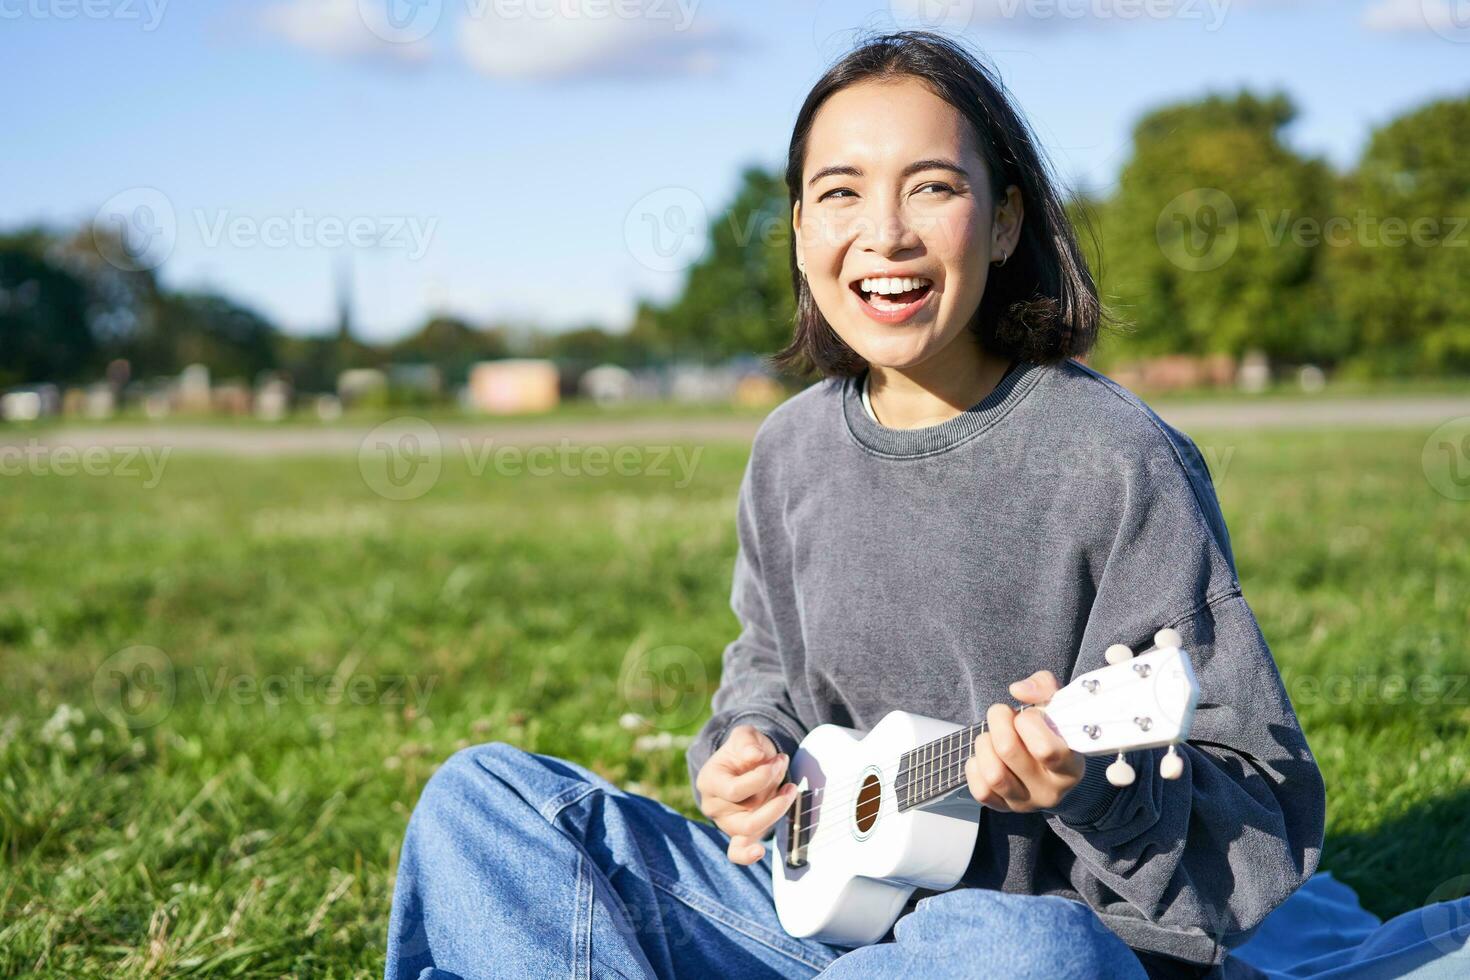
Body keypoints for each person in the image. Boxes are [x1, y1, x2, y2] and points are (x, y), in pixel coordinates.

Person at [386, 30, 1331, 979]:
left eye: (933, 186)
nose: (885, 233)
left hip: (1026, 939)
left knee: (1024, 952)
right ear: (800, 232)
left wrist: (1089, 793)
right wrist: (745, 751)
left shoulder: (1119, 458)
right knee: (482, 800)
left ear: (1004, 223)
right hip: (807, 916)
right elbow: (766, 674)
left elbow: (1257, 827)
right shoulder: (788, 449)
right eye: (841, 192)